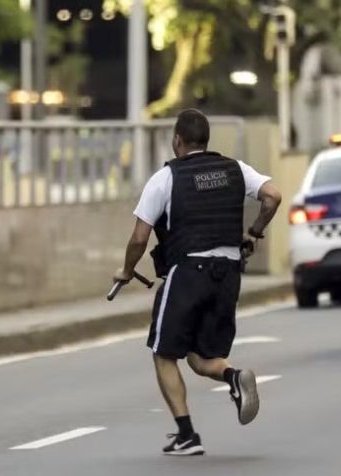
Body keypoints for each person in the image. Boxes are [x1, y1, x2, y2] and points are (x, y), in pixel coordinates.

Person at [113, 109, 282, 456]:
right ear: (206, 141)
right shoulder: (235, 168)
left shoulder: (166, 178)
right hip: (229, 271)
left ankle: (186, 434)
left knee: (163, 353)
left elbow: (139, 237)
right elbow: (273, 196)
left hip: (189, 270)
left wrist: (127, 270)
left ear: (177, 140)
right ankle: (234, 377)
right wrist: (254, 232)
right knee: (202, 357)